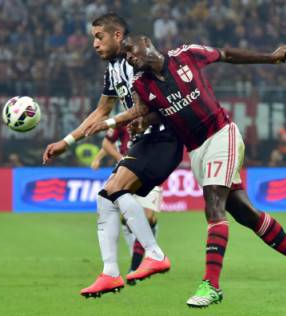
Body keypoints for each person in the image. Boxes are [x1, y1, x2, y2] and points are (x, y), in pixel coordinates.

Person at [85, 35, 286, 307]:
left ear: (147, 42)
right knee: (246, 214)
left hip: (221, 135)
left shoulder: (186, 55)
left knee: (214, 207)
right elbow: (150, 112)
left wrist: (270, 58)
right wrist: (140, 123)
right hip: (197, 150)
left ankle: (211, 285)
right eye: (126, 55)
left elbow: (227, 53)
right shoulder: (142, 84)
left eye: (131, 50)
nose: (129, 57)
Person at [42, 14, 184, 297]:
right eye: (93, 37)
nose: (94, 43)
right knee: (106, 198)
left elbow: (147, 106)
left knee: (114, 192)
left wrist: (109, 124)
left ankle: (153, 254)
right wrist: (67, 141)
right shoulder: (112, 69)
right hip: (145, 142)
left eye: (99, 37)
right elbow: (101, 110)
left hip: (163, 137)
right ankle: (111, 273)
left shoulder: (138, 60)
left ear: (117, 35)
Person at [91, 126, 161, 274]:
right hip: (126, 174)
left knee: (148, 218)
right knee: (128, 219)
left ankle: (134, 268)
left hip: (149, 171)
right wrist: (102, 158)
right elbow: (107, 143)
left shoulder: (154, 116)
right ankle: (137, 260)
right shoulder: (123, 121)